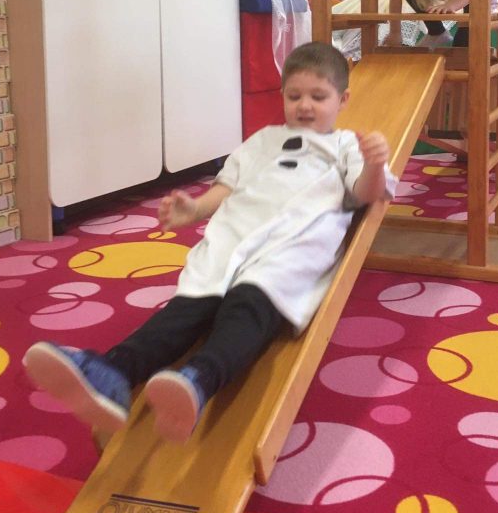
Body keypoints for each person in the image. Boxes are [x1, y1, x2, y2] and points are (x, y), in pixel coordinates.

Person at [24, 42, 395, 443]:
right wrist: (196, 209)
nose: (304, 105)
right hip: (234, 238)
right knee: (187, 308)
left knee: (247, 307)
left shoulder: (345, 145)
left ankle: (198, 381)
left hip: (290, 249)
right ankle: (112, 373)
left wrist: (375, 163)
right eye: (294, 96)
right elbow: (227, 186)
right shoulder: (263, 140)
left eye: (318, 97)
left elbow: (366, 192)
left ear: (342, 100)